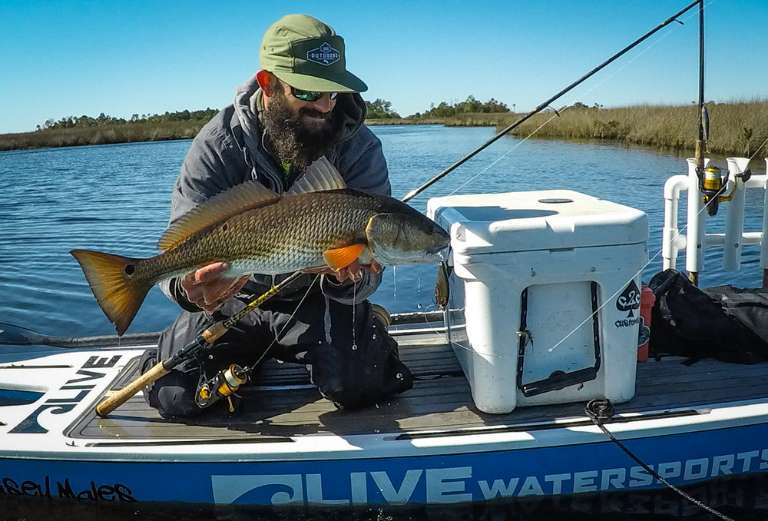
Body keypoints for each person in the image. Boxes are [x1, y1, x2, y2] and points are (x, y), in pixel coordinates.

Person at [139, 14, 413, 418]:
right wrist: (189, 289)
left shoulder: (360, 147)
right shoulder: (216, 145)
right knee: (175, 396)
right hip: (236, 298)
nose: (325, 105)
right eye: (308, 90)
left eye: (334, 92)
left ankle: (369, 330)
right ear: (268, 84)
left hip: (316, 298)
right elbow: (181, 243)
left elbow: (373, 262)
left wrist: (349, 283)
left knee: (360, 385)